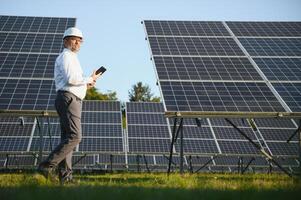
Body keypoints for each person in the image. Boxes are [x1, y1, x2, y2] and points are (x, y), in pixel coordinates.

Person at [38, 27, 101, 183]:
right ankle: (46, 166)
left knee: (67, 138)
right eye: (74, 39)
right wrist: (87, 79)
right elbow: (71, 79)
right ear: (66, 41)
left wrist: (87, 84)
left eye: (80, 40)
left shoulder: (72, 58)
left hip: (71, 97)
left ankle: (65, 177)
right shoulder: (66, 56)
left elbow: (73, 82)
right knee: (75, 136)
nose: (78, 42)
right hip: (68, 99)